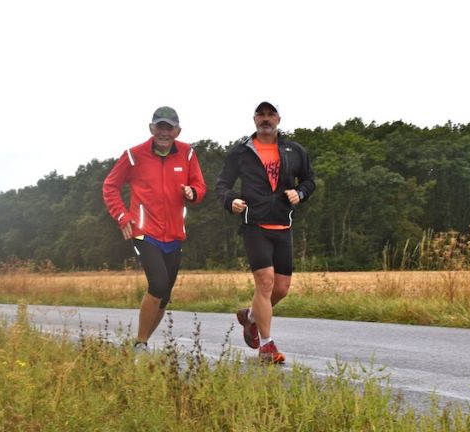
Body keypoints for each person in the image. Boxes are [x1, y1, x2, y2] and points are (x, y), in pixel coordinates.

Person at [215, 101, 315, 363]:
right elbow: (222, 184)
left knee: (281, 288)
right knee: (266, 282)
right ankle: (267, 347)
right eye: (261, 114)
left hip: (283, 224)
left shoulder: (295, 150)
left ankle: (250, 317)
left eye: (271, 114)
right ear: (254, 119)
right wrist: (231, 200)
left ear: (279, 119)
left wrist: (300, 193)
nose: (266, 119)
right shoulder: (241, 152)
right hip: (254, 225)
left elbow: (309, 180)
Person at [103, 106, 206, 352]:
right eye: (159, 126)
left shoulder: (188, 154)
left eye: (168, 128)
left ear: (177, 131)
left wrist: (193, 193)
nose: (163, 132)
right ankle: (140, 345)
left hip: (174, 235)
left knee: (166, 294)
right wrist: (122, 216)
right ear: (151, 128)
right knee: (158, 284)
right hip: (142, 231)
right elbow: (110, 186)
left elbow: (200, 186)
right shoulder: (133, 155)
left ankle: (142, 342)